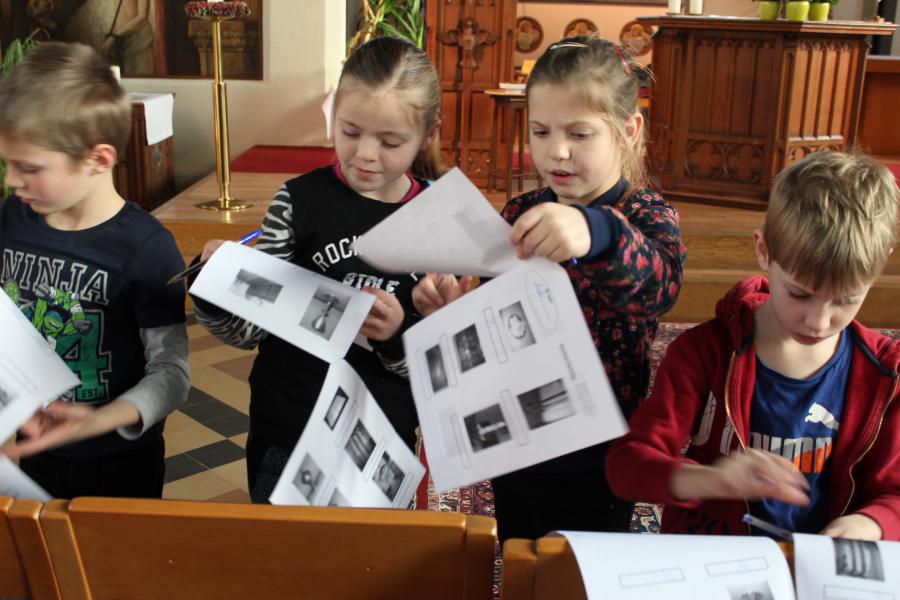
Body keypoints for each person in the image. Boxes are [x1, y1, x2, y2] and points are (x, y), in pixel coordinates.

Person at [414, 35, 686, 541]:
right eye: (540, 131)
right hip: (518, 433)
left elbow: (659, 286)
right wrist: (452, 307)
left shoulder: (645, 215)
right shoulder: (520, 211)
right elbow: (496, 311)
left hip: (600, 447)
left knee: (577, 570)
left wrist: (597, 233)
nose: (556, 151)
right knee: (520, 552)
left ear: (628, 130)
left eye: (580, 134)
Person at [192, 36, 443, 501]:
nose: (366, 154)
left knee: (374, 565)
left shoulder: (439, 216)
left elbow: (441, 365)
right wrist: (212, 282)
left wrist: (394, 333)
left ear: (427, 135)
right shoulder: (297, 201)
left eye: (390, 142)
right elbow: (249, 330)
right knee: (283, 558)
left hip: (382, 433)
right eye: (349, 132)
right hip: (289, 424)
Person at [607, 151, 900, 541]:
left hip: (818, 572)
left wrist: (871, 523)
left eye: (846, 300)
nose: (819, 321)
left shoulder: (886, 374)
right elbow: (626, 468)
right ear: (764, 251)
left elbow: (894, 493)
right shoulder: (703, 353)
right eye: (800, 294)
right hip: (715, 562)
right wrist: (711, 480)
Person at [0, 42, 189, 499]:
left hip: (113, 468)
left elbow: (171, 373)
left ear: (98, 159)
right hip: (22, 456)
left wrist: (102, 419)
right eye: (8, 164)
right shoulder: (12, 218)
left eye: (29, 167)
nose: (11, 180)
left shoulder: (146, 248)